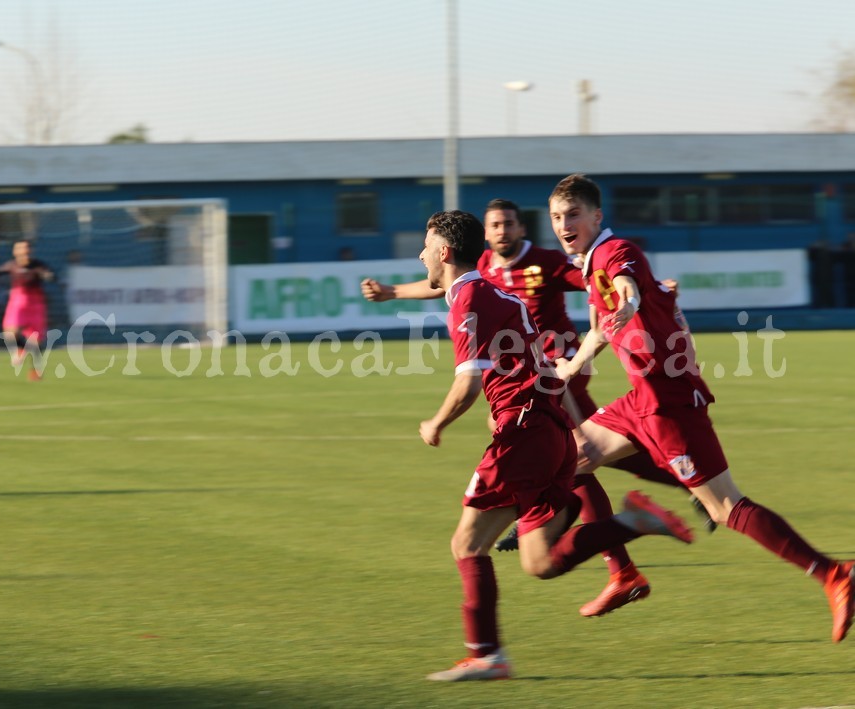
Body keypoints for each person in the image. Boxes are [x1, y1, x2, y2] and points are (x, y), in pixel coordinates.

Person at [548, 173, 854, 643]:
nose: (563, 224)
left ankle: (833, 574)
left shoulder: (613, 252)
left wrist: (630, 301)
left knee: (726, 505)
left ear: (596, 217)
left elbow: (625, 286)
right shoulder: (591, 265)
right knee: (569, 458)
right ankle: (622, 573)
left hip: (668, 404)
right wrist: (572, 367)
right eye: (555, 217)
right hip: (641, 400)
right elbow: (605, 325)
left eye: (573, 215)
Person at [362, 198, 695, 618]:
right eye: (493, 225)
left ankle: (673, 490)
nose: (500, 231)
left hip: (554, 381)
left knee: (581, 458)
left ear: (519, 228)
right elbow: (439, 283)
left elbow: (596, 277)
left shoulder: (533, 265)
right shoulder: (481, 273)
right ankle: (597, 523)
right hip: (540, 399)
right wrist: (392, 292)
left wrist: (649, 288)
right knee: (554, 522)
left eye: (507, 223)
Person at [0, 239, 54, 380]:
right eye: (20, 248)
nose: (24, 251)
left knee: (36, 341)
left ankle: (36, 370)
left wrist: (49, 276)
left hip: (36, 305)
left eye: (26, 248)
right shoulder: (11, 265)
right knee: (10, 333)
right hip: (17, 302)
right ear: (15, 251)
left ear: (30, 251)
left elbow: (47, 273)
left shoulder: (38, 265)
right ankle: (21, 349)